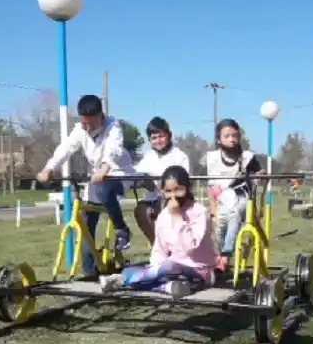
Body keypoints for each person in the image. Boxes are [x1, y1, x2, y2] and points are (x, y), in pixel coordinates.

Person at [37, 94, 135, 277]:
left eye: (90, 123)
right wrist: (48, 168)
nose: (86, 127)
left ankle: (122, 230)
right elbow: (66, 148)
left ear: (101, 116)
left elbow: (113, 150)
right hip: (96, 178)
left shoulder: (113, 127)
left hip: (117, 174)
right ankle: (90, 272)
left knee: (104, 191)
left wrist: (105, 168)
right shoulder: (80, 129)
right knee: (86, 222)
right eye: (83, 123)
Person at [98, 165, 216, 299]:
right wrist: (155, 268)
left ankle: (122, 279)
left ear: (188, 188)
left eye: (178, 190)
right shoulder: (164, 215)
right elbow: (159, 249)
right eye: (168, 191)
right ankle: (168, 287)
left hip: (199, 269)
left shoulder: (200, 213)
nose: (173, 196)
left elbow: (191, 247)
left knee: (169, 267)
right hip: (170, 271)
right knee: (162, 270)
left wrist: (178, 217)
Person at [205, 118, 263, 272]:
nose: (231, 139)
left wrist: (257, 177)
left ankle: (225, 254)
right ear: (219, 139)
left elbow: (260, 173)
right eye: (227, 136)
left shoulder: (247, 157)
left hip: (243, 200)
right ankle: (218, 259)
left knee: (235, 213)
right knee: (219, 225)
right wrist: (213, 208)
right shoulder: (212, 158)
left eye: (235, 135)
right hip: (223, 200)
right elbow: (211, 185)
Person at [132, 116, 190, 245]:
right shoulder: (148, 156)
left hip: (175, 199)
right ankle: (157, 246)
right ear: (149, 140)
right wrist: (144, 182)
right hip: (153, 198)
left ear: (169, 135)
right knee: (141, 210)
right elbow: (137, 176)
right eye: (154, 138)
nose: (158, 141)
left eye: (161, 136)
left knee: (165, 210)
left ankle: (172, 246)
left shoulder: (180, 156)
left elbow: (185, 183)